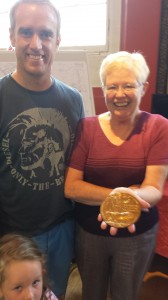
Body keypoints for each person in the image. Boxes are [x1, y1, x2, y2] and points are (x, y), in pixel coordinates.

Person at [64, 51, 168, 300]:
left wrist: (116, 196)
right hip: (89, 233)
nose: (119, 94)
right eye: (112, 86)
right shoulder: (86, 127)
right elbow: (71, 188)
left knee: (126, 295)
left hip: (137, 234)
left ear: (143, 88)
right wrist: (120, 196)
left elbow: (153, 189)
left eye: (128, 85)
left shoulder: (159, 126)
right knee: (92, 294)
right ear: (103, 89)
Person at [0, 0, 84, 299]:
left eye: (46, 34)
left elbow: (76, 165)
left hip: (62, 230)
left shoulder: (73, 100)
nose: (36, 44)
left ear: (57, 41)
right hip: (12, 236)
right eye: (26, 32)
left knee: (53, 294)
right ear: (12, 37)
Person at [0, 233, 58, 300]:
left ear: (42, 275)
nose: (30, 296)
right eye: (18, 288)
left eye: (35, 282)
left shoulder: (48, 296)